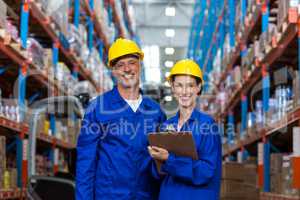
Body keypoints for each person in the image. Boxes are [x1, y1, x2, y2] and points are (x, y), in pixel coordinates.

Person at [76, 38, 166, 200]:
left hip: (146, 195)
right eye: (120, 65)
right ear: (113, 71)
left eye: (132, 62)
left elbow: (162, 162)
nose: (126, 69)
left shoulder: (155, 111)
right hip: (109, 195)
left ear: (140, 65)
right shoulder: (97, 108)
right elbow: (85, 164)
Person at [148, 59, 222, 200]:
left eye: (190, 86)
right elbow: (156, 174)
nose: (185, 91)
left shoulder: (207, 125)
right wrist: (155, 159)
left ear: (198, 87)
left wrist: (169, 160)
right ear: (173, 89)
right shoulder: (165, 126)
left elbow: (206, 172)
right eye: (179, 86)